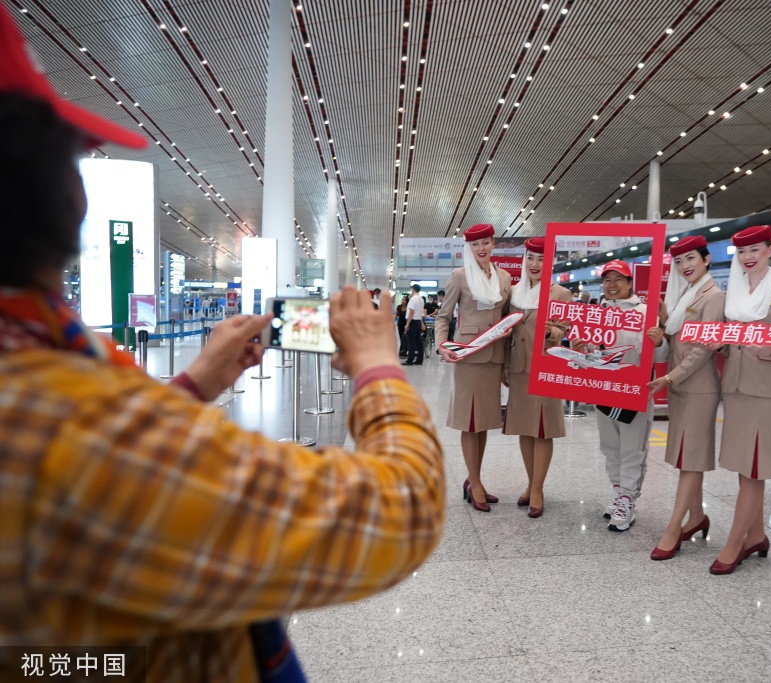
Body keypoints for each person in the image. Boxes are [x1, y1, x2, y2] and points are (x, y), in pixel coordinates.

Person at [0, 10, 445, 680]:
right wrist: (378, 366)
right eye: (72, 157)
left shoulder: (46, 380)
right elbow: (400, 510)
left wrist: (190, 387)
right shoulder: (67, 421)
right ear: (47, 193)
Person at [712, 225, 771, 575]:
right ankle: (756, 536)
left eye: (755, 250)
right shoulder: (733, 291)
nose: (748, 257)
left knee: (755, 468)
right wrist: (721, 346)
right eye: (742, 252)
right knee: (745, 467)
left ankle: (734, 545)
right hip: (736, 388)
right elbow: (730, 338)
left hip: (766, 390)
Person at [646, 236, 725, 560]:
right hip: (682, 386)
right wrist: (663, 324)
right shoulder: (686, 294)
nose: (684, 266)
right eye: (678, 261)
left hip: (699, 389)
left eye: (691, 258)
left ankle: (673, 529)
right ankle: (697, 517)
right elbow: (679, 340)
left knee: (690, 458)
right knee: (686, 457)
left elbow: (703, 349)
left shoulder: (714, 296)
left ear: (706, 259)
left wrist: (669, 378)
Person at [571, 260, 656, 532]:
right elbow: (590, 352)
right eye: (607, 279)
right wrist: (581, 348)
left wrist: (660, 340)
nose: (612, 284)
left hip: (634, 390)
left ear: (630, 283)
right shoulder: (598, 313)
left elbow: (660, 355)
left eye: (619, 279)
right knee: (610, 446)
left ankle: (628, 500)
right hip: (604, 388)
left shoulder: (645, 313)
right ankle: (619, 493)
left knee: (632, 448)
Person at [434, 224, 512, 511]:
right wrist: (442, 345)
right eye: (476, 244)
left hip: (494, 358)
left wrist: (507, 360)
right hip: (468, 357)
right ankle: (476, 483)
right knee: (469, 421)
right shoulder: (460, 275)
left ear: (493, 244)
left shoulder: (504, 277)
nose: (481, 248)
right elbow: (443, 317)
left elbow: (507, 317)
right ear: (469, 248)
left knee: (483, 422)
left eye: (486, 243)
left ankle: (472, 479)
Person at [502, 237, 571, 518]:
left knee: (542, 429)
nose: (535, 264)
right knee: (524, 427)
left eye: (542, 259)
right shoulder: (514, 293)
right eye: (530, 257)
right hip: (519, 367)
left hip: (546, 367)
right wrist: (505, 365)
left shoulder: (560, 293)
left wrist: (549, 331)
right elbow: (506, 332)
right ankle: (531, 484)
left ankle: (538, 489)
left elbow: (564, 329)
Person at [404, 284, 425, 365]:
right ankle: (419, 359)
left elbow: (411, 312)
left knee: (411, 341)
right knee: (419, 341)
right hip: (418, 321)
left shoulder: (413, 299)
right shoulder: (421, 299)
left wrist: (407, 324)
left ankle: (410, 359)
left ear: (413, 289)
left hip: (412, 321)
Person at [396, 293, 409, 357]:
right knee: (401, 337)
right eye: (402, 299)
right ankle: (401, 350)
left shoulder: (408, 307)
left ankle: (405, 350)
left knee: (405, 337)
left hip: (406, 323)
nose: (403, 301)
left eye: (404, 300)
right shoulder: (399, 307)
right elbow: (396, 314)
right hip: (400, 323)